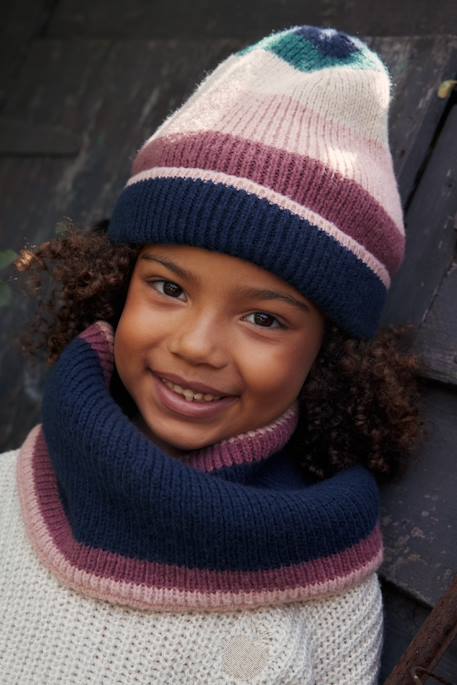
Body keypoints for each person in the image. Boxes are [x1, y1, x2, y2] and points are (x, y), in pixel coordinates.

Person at [0, 24, 424, 684]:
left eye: (263, 317)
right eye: (167, 287)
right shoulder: (8, 494)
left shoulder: (329, 599)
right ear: (117, 283)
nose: (195, 346)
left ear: (329, 351)